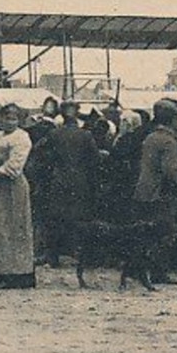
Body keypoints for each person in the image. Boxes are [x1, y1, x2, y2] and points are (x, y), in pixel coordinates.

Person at [0, 102, 36, 288]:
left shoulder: (22, 137)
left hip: (11, 185)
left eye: (13, 118)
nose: (9, 122)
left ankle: (17, 274)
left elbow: (15, 164)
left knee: (13, 226)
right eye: (6, 118)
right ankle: (0, 270)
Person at [36, 101, 101, 268]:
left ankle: (53, 256)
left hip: (58, 179)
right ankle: (81, 256)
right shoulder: (86, 135)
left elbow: (40, 153)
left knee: (56, 218)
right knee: (80, 217)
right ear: (78, 114)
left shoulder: (54, 134)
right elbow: (94, 160)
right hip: (80, 180)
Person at [132, 99, 177, 285]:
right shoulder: (169, 141)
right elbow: (169, 171)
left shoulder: (150, 137)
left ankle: (140, 270)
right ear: (172, 120)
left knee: (145, 233)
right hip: (160, 192)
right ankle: (159, 272)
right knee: (163, 232)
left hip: (143, 190)